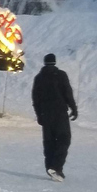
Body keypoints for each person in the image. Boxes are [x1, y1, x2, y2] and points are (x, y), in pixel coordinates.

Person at [32, 53, 78, 182]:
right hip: (59, 113)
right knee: (64, 139)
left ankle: (50, 167)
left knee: (49, 142)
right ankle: (56, 167)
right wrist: (73, 108)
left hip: (46, 114)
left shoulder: (39, 78)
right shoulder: (61, 75)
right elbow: (67, 92)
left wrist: (39, 114)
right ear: (55, 62)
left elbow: (35, 98)